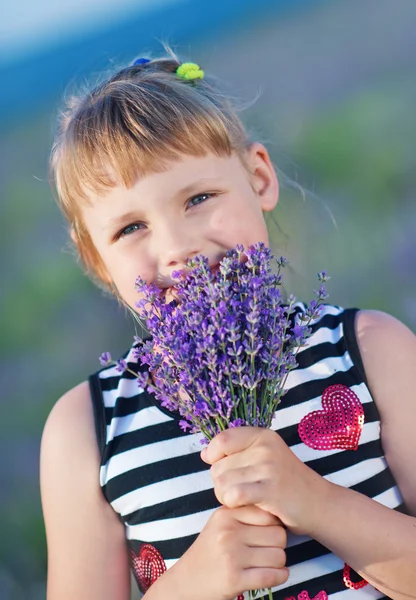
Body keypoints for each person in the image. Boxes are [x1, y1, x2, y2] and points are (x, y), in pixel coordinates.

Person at [40, 50, 416, 600]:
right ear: (95, 258)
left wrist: (315, 502)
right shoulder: (88, 431)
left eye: (198, 198)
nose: (177, 247)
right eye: (130, 228)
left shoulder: (369, 351)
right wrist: (187, 588)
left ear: (259, 178)